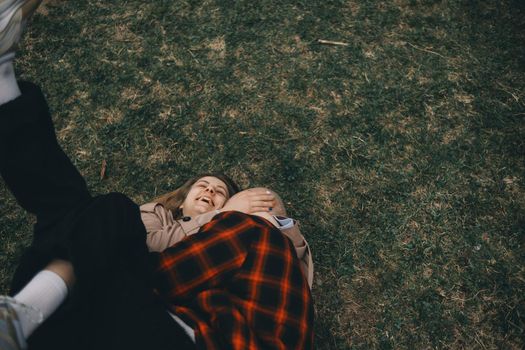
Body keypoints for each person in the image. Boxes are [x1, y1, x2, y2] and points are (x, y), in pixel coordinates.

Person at [0, 1, 314, 350]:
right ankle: (20, 316)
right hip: (108, 322)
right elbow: (142, 249)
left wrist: (233, 217)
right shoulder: (155, 216)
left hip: (166, 330)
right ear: (182, 197)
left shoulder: (257, 237)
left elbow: (148, 269)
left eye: (221, 193)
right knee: (102, 216)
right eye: (203, 185)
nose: (210, 192)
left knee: (99, 219)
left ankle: (2, 78)